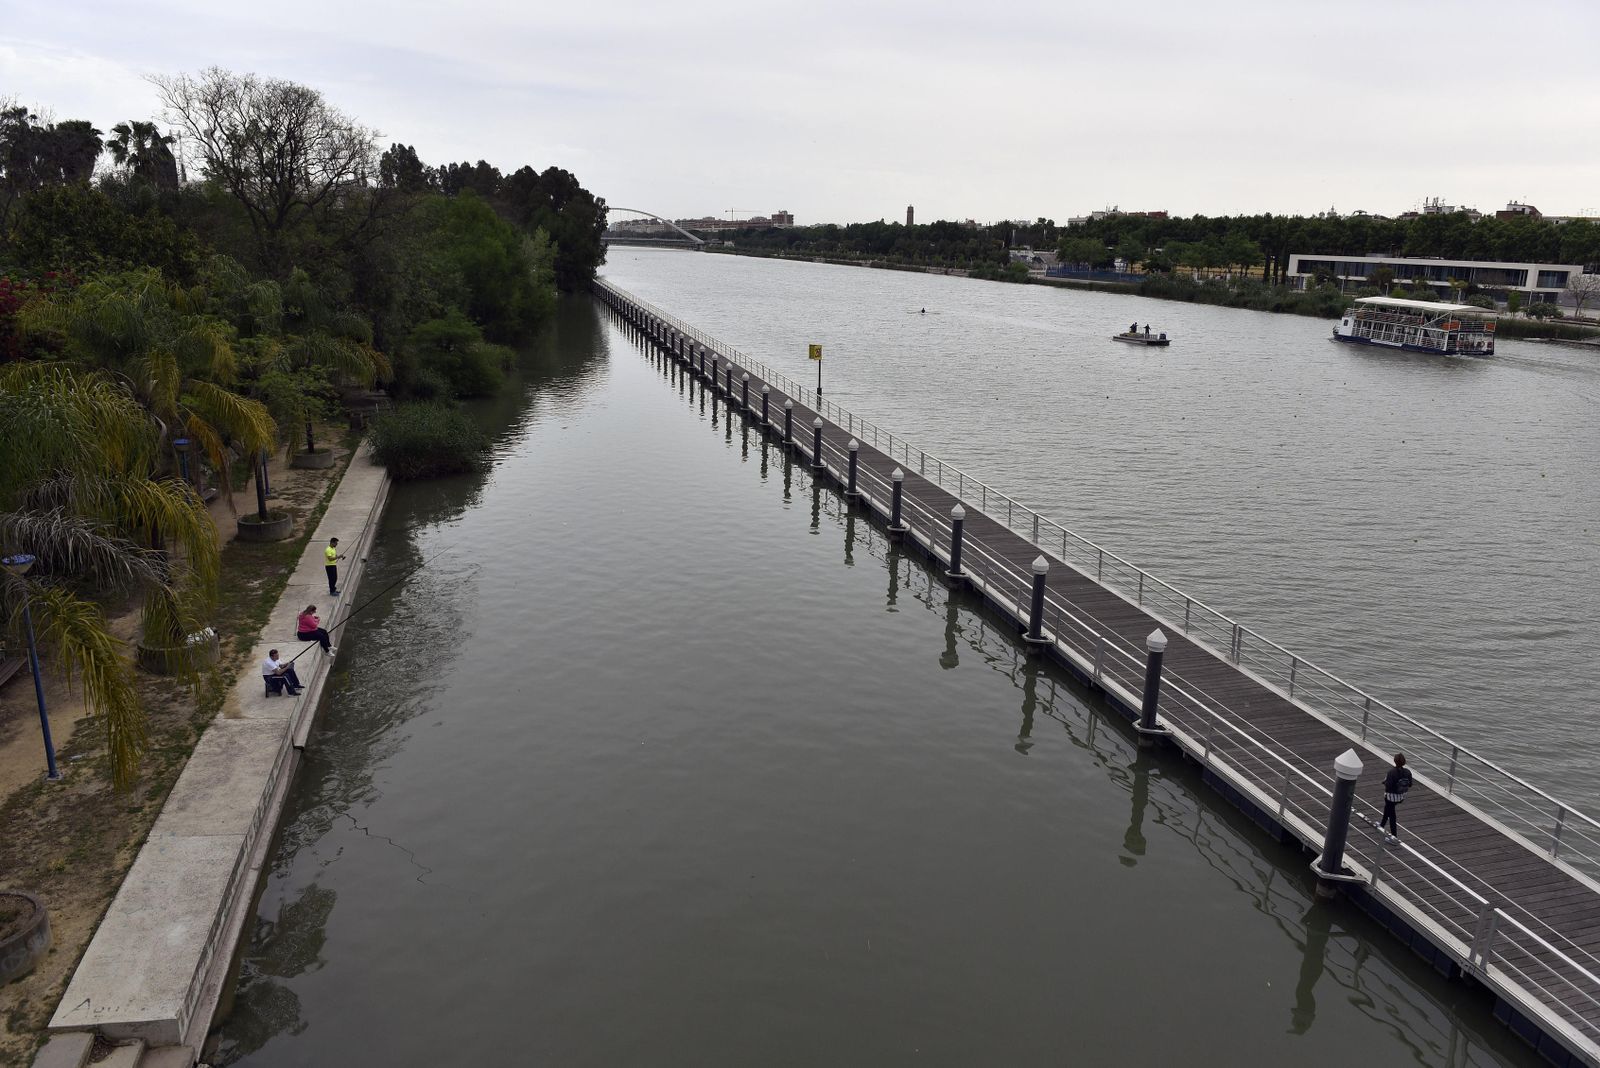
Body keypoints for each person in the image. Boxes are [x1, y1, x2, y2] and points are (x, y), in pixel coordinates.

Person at [1373, 753, 1412, 843]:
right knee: (1388, 809)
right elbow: (1410, 784)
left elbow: (1388, 786)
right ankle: (1382, 825)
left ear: (1395, 761)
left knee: (1392, 815)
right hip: (1401, 796)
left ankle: (1394, 837)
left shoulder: (1391, 772)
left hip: (1391, 797)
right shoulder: (1407, 772)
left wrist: (1385, 782)